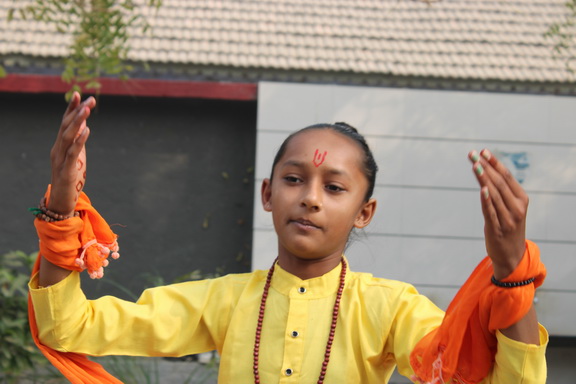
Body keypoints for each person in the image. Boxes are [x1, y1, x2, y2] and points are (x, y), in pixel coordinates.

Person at [29, 93, 547, 384]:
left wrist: (512, 277)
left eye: (335, 187)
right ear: (267, 194)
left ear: (364, 212)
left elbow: (473, 378)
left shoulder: (389, 310)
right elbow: (68, 328)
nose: (311, 198)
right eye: (294, 179)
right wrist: (61, 207)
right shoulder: (225, 300)